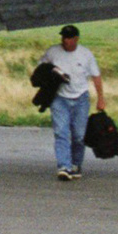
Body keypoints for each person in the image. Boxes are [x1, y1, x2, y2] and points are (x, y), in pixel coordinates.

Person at [39, 24, 105, 181]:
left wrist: (101, 98)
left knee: (79, 135)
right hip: (59, 98)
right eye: (63, 37)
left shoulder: (85, 54)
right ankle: (64, 166)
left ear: (76, 39)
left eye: (68, 37)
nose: (65, 40)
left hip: (80, 98)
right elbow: (41, 68)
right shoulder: (53, 52)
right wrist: (51, 76)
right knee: (61, 132)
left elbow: (96, 76)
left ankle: (76, 164)